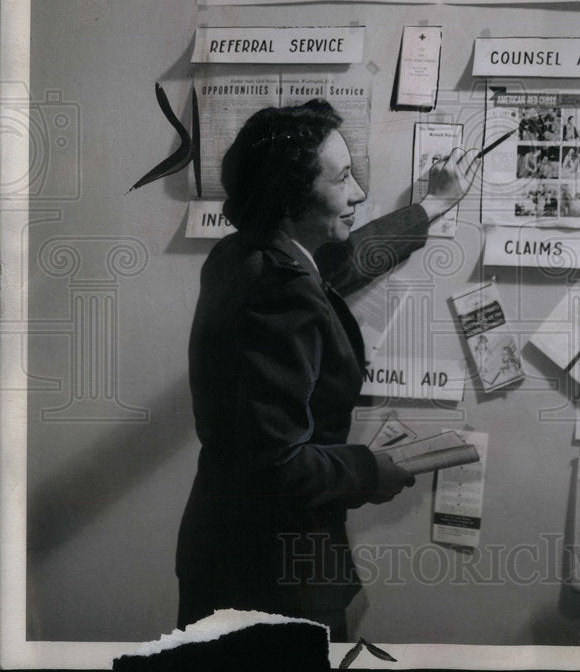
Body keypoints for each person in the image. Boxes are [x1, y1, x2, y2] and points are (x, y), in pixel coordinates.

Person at [176, 99, 479, 638]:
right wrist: (372, 470)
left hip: (232, 551)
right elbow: (276, 464)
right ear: (291, 198)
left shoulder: (244, 254)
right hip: (269, 574)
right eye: (343, 179)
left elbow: (343, 258)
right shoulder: (278, 295)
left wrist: (432, 206)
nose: (360, 192)